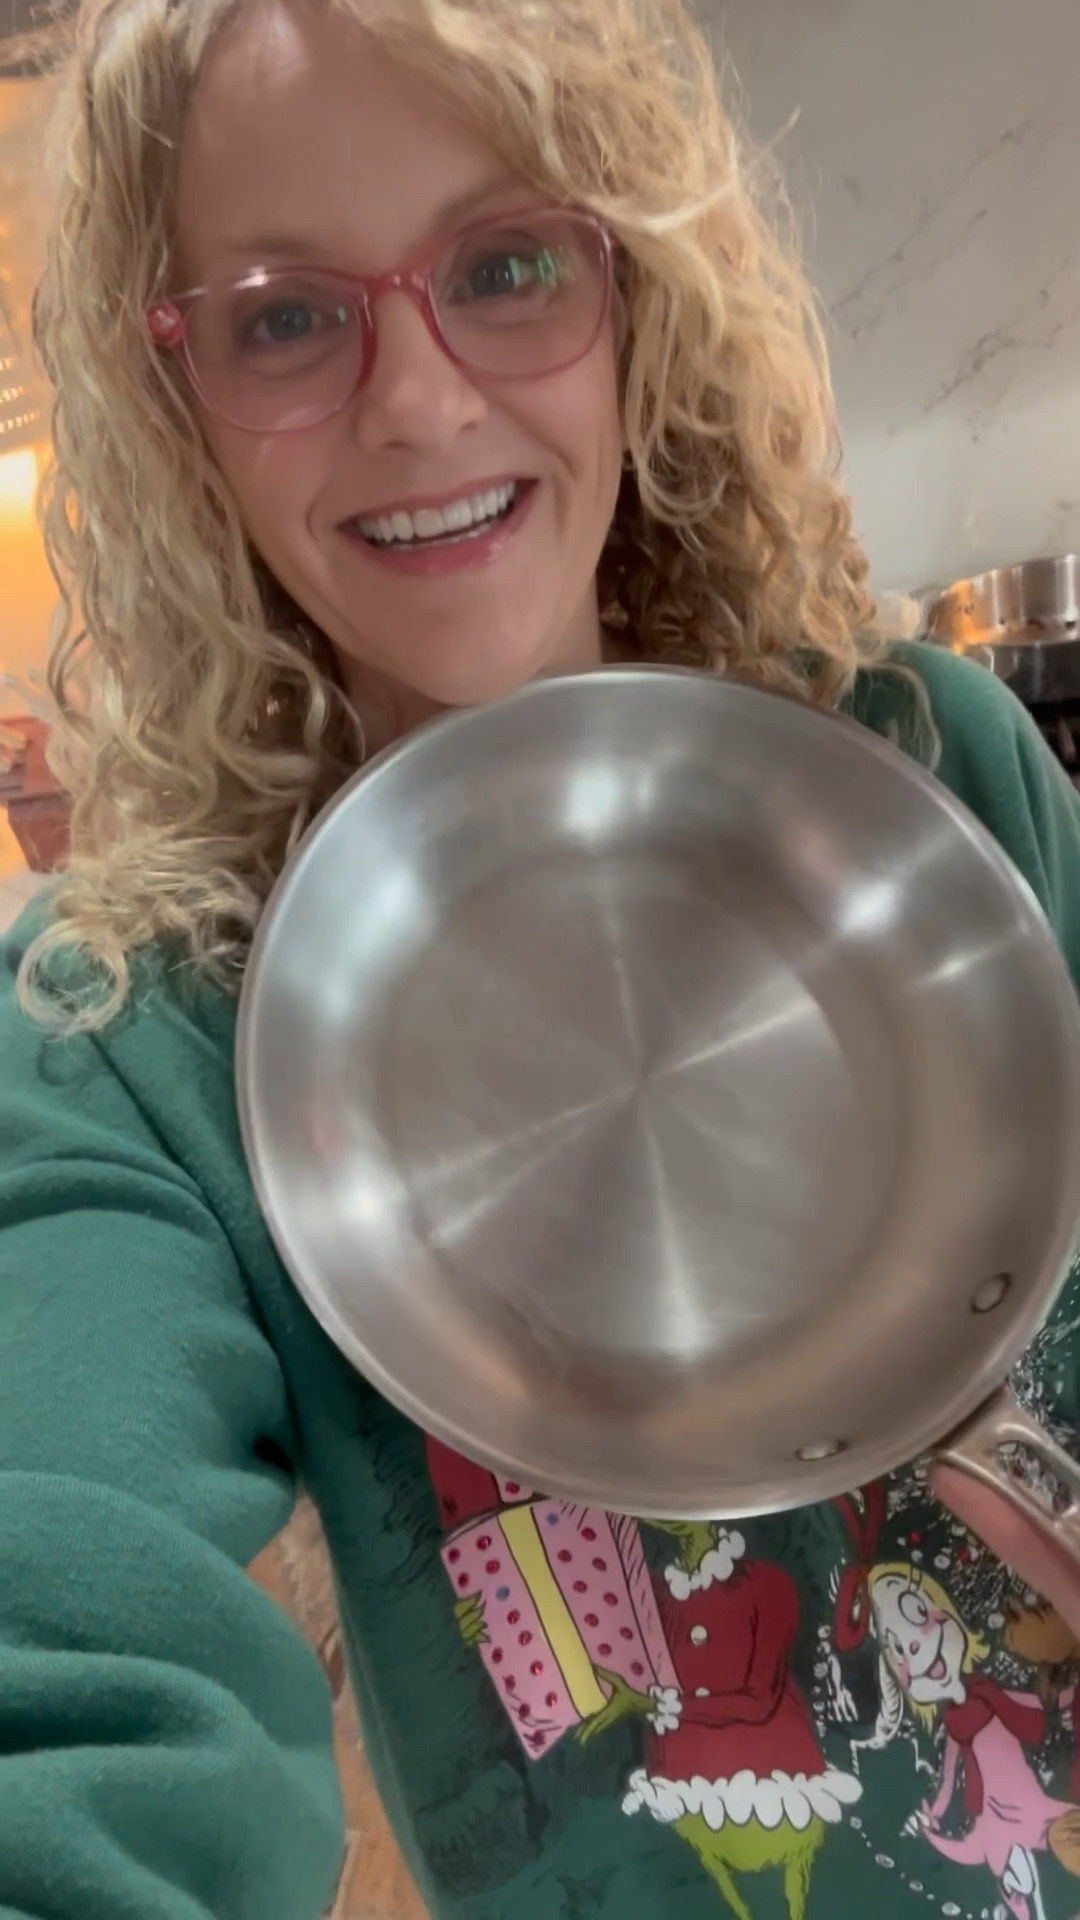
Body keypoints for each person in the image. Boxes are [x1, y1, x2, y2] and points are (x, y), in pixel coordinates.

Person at [2, 0, 1080, 1914]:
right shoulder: (120, 1030)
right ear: (175, 396)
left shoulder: (930, 774)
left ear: (634, 289)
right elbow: (68, 1637)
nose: (415, 401)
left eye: (504, 266)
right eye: (282, 314)